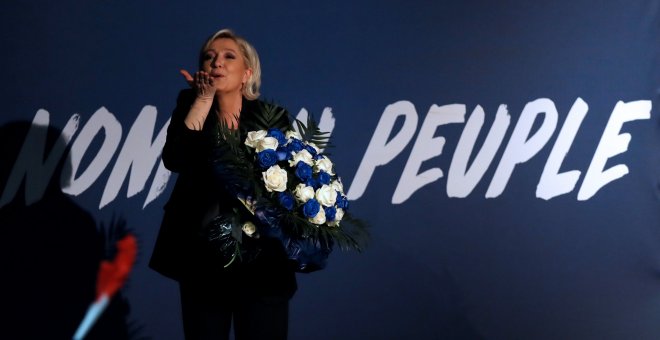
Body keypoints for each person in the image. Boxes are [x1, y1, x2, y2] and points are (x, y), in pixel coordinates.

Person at [149, 28, 296, 340]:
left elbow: (286, 183)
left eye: (228, 56)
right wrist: (202, 100)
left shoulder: (272, 117)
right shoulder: (190, 106)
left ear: (247, 73)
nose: (217, 62)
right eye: (209, 57)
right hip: (203, 262)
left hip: (262, 263)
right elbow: (175, 159)